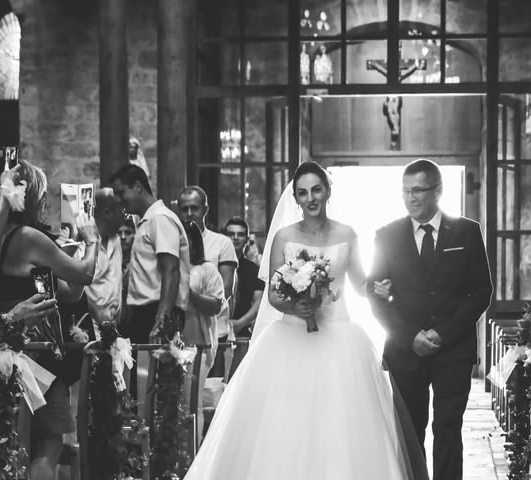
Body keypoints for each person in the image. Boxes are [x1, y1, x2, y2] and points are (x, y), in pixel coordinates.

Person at [183, 161, 428, 480]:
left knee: (339, 424)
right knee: (288, 422)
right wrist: (294, 307)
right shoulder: (284, 237)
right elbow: (273, 293)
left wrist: (376, 287)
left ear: (327, 191)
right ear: (295, 199)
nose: (310, 198)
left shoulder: (347, 233)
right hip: (291, 336)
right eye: (303, 193)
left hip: (339, 337)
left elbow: (358, 284)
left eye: (316, 189)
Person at [0, 159, 100, 480]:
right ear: (29, 197)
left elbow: (65, 293)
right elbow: (84, 276)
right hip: (36, 355)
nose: (44, 205)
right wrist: (91, 240)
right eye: (42, 197)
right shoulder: (30, 237)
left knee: (3, 441)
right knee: (47, 443)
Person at [368, 158, 493, 480]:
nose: (410, 198)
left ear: (438, 191)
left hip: (454, 350)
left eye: (418, 191)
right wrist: (410, 337)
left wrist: (442, 333)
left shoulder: (466, 231)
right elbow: (377, 295)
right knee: (411, 431)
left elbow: (480, 292)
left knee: (448, 427)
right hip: (405, 351)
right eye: (405, 192)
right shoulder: (387, 235)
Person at [110, 164, 190, 343]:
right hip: (144, 312)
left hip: (155, 312)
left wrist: (161, 322)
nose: (118, 199)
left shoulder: (160, 218)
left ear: (138, 186)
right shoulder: (147, 220)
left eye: (121, 192)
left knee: (150, 370)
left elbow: (171, 270)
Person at [177, 186, 237, 381]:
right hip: (183, 330)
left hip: (214, 329)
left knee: (210, 390)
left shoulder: (221, 243)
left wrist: (190, 292)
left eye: (194, 208)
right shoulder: (174, 241)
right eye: (184, 208)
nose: (189, 214)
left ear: (205, 209)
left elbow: (225, 288)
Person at [181, 221, 224, 445]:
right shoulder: (170, 266)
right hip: (174, 344)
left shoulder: (206, 269)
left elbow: (216, 305)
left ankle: (193, 453)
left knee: (192, 403)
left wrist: (189, 293)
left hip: (199, 344)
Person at [224, 216, 265, 378]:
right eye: (231, 233)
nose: (235, 238)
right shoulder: (213, 263)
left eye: (240, 234)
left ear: (247, 239)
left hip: (242, 335)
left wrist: (239, 324)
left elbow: (259, 302)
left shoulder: (254, 270)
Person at [84, 188, 124, 333]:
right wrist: (99, 317)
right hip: (90, 327)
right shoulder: (83, 241)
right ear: (107, 212)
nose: (124, 217)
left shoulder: (116, 239)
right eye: (120, 212)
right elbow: (77, 286)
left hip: (113, 326)